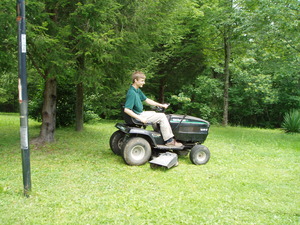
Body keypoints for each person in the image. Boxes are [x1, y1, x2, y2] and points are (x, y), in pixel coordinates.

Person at [124, 71, 182, 147]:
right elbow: (127, 109)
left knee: (155, 113)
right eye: (142, 81)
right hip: (139, 115)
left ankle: (159, 135)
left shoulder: (137, 90)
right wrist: (140, 118)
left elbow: (147, 100)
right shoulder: (132, 93)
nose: (144, 83)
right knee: (162, 116)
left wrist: (161, 105)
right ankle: (169, 140)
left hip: (141, 113)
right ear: (135, 80)